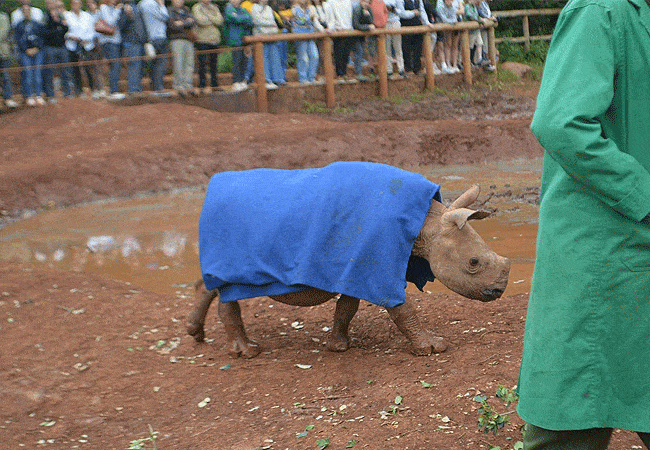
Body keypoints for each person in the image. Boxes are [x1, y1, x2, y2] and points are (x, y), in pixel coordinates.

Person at [517, 1, 650, 449]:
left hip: (634, 245)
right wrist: (644, 197)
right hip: (601, 245)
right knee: (571, 413)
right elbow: (561, 122)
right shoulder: (601, 11)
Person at [65, 0, 100, 98]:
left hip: (87, 45)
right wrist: (72, 37)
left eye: (78, 4)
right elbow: (65, 31)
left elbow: (92, 30)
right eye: (74, 4)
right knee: (75, 69)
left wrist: (87, 39)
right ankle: (79, 91)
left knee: (89, 68)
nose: (76, 6)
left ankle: (93, 89)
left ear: (81, 5)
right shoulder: (67, 16)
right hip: (72, 46)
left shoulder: (87, 16)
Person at [250, 0, 285, 89]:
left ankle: (278, 79)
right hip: (260, 38)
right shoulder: (254, 7)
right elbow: (257, 21)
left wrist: (267, 23)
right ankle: (266, 80)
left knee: (274, 57)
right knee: (263, 58)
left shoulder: (269, 8)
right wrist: (269, 23)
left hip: (271, 36)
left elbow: (274, 23)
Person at [14, 3, 45, 106]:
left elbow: (42, 37)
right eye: (24, 11)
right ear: (22, 13)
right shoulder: (19, 25)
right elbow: (18, 40)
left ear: (31, 11)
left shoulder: (37, 24)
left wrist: (37, 48)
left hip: (38, 51)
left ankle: (38, 95)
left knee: (37, 74)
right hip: (25, 53)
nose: (26, 12)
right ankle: (29, 96)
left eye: (28, 10)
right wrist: (26, 49)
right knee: (28, 74)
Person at [42, 0, 72, 103]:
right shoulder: (45, 16)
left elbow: (66, 28)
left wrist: (58, 22)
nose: (52, 6)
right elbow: (44, 32)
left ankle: (67, 93)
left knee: (65, 70)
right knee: (49, 71)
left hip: (62, 46)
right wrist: (57, 29)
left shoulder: (60, 15)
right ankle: (51, 95)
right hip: (50, 47)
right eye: (50, 4)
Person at [192, 0, 224, 92]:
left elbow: (219, 20)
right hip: (202, 40)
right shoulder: (197, 7)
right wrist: (212, 18)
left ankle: (214, 84)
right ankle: (202, 85)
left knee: (214, 64)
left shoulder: (214, 7)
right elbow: (200, 20)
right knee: (202, 64)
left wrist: (208, 17)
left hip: (215, 40)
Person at [140, 0, 169, 94]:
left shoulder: (141, 4)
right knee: (160, 63)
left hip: (149, 38)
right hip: (159, 37)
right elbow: (164, 16)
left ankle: (154, 88)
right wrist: (162, 5)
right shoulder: (152, 4)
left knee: (153, 64)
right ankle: (158, 88)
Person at [223, 0, 253, 92]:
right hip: (235, 39)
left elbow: (250, 20)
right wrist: (242, 18)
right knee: (237, 60)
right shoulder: (228, 9)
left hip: (245, 39)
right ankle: (236, 82)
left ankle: (242, 81)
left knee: (244, 61)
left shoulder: (243, 9)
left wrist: (240, 17)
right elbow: (237, 19)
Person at [167, 0, 196, 95]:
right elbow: (172, 26)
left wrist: (181, 23)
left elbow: (193, 22)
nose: (179, 1)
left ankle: (188, 84)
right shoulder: (170, 10)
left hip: (189, 39)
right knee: (178, 62)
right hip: (176, 40)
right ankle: (178, 85)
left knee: (189, 63)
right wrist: (186, 22)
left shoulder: (186, 9)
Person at [97, 0, 125, 99]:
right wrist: (117, 10)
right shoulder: (103, 7)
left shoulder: (113, 7)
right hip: (109, 42)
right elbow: (110, 22)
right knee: (115, 65)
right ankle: (113, 91)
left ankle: (114, 89)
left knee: (116, 65)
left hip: (116, 41)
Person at [291, 0, 323, 84]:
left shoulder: (310, 8)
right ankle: (303, 78)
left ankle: (311, 77)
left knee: (314, 55)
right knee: (303, 57)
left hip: (310, 35)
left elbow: (314, 21)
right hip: (300, 36)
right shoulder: (295, 9)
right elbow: (301, 21)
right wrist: (309, 17)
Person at [399, 0, 431, 76]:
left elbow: (422, 11)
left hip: (417, 25)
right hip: (405, 26)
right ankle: (408, 69)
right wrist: (413, 13)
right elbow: (401, 13)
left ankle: (417, 68)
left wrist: (427, 22)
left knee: (418, 48)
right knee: (406, 48)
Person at [437, 0, 462, 73]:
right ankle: (448, 64)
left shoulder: (452, 6)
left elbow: (453, 15)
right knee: (448, 44)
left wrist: (453, 21)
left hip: (453, 24)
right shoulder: (440, 6)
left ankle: (454, 64)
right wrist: (453, 22)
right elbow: (443, 19)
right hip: (444, 26)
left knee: (455, 45)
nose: (451, 2)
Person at [351, 0, 374, 81]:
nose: (366, 4)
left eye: (368, 2)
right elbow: (355, 25)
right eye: (365, 2)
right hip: (353, 35)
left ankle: (359, 73)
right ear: (361, 1)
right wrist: (367, 27)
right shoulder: (356, 9)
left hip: (361, 36)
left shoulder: (369, 9)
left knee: (360, 52)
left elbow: (372, 22)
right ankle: (358, 73)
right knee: (359, 52)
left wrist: (367, 16)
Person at [383, 0, 405, 78]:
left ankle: (401, 69)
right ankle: (389, 70)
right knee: (387, 49)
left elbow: (401, 11)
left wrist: (393, 9)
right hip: (385, 23)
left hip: (395, 22)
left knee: (398, 47)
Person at [0, 11, 18, 108]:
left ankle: (8, 98)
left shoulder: (3, 16)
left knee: (6, 77)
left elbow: (3, 32)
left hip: (3, 53)